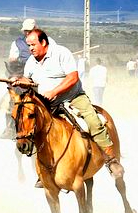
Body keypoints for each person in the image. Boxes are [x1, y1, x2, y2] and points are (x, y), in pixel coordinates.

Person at [14, 29, 124, 177]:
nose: (30, 48)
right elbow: (29, 81)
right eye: (29, 45)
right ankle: (44, 170)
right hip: (46, 103)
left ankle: (111, 160)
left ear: (43, 42)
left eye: (33, 44)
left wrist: (54, 92)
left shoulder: (61, 53)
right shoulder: (31, 62)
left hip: (73, 97)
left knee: (93, 121)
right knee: (31, 127)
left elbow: (73, 78)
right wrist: (21, 81)